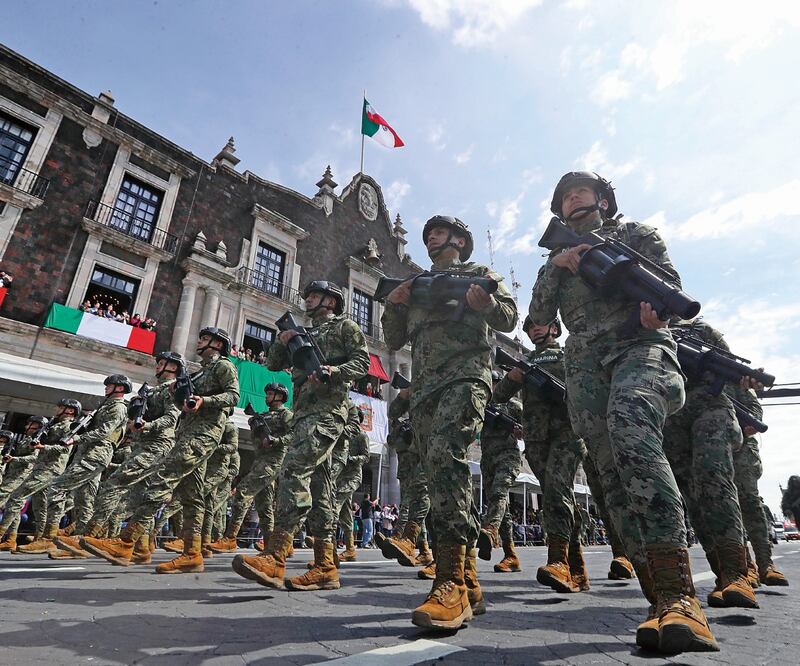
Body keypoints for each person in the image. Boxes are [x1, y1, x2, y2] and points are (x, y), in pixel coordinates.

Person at [530, 171, 716, 653]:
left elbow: (671, 284)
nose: (573, 197)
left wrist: (658, 312)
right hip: (585, 367)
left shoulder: (636, 235)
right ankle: (660, 601)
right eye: (565, 195)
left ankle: (681, 598)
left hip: (640, 344)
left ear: (604, 200)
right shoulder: (555, 259)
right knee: (611, 476)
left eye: (582, 190)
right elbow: (538, 322)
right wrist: (558, 266)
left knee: (631, 430)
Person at [382, 215, 517, 630]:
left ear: (459, 240)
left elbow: (509, 318)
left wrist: (486, 305)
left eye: (438, 232)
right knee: (441, 474)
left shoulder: (480, 274)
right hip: (425, 387)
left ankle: (451, 582)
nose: (430, 238)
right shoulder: (416, 285)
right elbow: (393, 339)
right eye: (427, 234)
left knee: (445, 454)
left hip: (466, 375)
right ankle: (469, 579)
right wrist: (395, 303)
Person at [230, 280, 369, 591]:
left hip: (328, 412)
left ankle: (276, 556)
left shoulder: (344, 327)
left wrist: (334, 372)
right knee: (321, 489)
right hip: (303, 413)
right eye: (307, 296)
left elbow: (362, 362)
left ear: (331, 301)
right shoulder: (305, 333)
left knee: (293, 471)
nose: (308, 300)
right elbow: (273, 364)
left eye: (315, 296)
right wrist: (284, 341)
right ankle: (325, 566)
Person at [82, 328, 239, 573]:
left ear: (217, 344)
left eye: (205, 339)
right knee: (192, 495)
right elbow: (182, 405)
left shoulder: (224, 366)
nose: (199, 341)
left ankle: (126, 542)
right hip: (187, 432)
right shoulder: (199, 373)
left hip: (204, 434)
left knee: (162, 480)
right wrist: (179, 395)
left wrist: (203, 401)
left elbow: (233, 396)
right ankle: (192, 554)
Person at [662, 319, 762, 609]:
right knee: (692, 497)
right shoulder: (638, 323)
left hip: (710, 405)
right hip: (671, 417)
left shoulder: (700, 330)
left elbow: (730, 367)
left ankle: (737, 574)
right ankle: (724, 574)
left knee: (714, 479)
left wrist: (748, 382)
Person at [493, 317, 593, 589]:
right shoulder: (524, 362)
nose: (534, 329)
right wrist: (512, 377)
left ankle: (558, 561)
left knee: (558, 491)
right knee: (555, 496)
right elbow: (498, 397)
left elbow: (587, 390)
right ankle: (577, 570)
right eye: (529, 327)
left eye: (540, 324)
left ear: (555, 329)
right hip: (536, 439)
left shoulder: (569, 355)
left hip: (567, 434)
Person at [75, 353, 182, 561]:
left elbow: (171, 418)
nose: (157, 366)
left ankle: (88, 535)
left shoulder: (172, 388)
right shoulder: (153, 391)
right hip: (144, 445)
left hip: (157, 445)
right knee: (142, 497)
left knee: (115, 483)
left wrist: (146, 425)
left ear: (173, 368)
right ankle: (141, 549)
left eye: (162, 363)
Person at [40, 376, 129, 557]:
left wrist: (77, 438)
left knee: (56, 487)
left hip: (95, 455)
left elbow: (104, 431)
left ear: (119, 388)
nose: (106, 388)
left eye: (110, 385)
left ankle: (48, 537)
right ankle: (80, 545)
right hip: (89, 454)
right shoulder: (105, 406)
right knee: (84, 500)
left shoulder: (118, 407)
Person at [208, 382, 293, 553]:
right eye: (267, 393)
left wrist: (277, 441)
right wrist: (255, 426)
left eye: (270, 394)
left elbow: (295, 434)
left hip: (273, 461)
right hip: (259, 460)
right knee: (264, 505)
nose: (267, 396)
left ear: (280, 396)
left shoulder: (286, 414)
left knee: (243, 492)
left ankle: (230, 538)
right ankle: (271, 545)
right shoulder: (264, 415)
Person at [0, 401, 81, 552]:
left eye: (61, 407)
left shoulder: (70, 427)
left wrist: (42, 446)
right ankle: (37, 538)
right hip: (41, 468)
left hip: (50, 469)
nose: (57, 409)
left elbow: (64, 449)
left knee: (16, 497)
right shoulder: (54, 425)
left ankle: (2, 534)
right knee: (40, 506)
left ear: (70, 411)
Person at [728, 385, 788, 586]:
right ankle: (744, 567)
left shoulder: (733, 376)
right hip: (707, 443)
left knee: (749, 501)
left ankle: (766, 564)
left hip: (742, 445)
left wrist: (752, 421)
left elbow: (753, 406)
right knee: (724, 505)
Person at [476, 370, 523, 573]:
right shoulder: (480, 405)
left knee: (499, 492)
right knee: (501, 507)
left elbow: (532, 428)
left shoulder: (513, 406)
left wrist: (520, 431)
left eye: (494, 382)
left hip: (508, 456)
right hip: (487, 460)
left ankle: (490, 530)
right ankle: (510, 555)